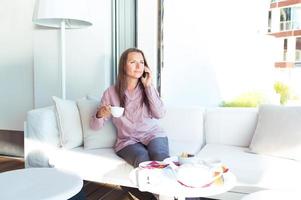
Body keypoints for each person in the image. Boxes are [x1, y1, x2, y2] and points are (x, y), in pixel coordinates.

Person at [90, 47, 169, 200]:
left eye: (141, 62)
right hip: (127, 141)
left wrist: (148, 87)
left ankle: (174, 194)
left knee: (160, 156)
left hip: (153, 134)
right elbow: (94, 127)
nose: (139, 67)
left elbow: (160, 114)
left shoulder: (148, 88)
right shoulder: (111, 92)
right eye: (133, 62)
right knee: (142, 158)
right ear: (123, 66)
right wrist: (101, 114)